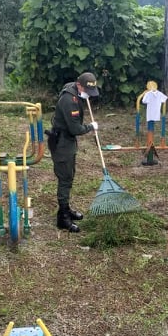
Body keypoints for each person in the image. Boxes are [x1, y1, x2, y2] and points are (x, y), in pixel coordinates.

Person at [49, 72, 100, 233]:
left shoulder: (74, 90)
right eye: (87, 91)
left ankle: (66, 208)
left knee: (69, 175)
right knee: (65, 178)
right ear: (79, 85)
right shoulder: (69, 100)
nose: (88, 95)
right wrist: (91, 127)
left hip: (67, 141)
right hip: (62, 143)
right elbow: (75, 129)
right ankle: (62, 217)